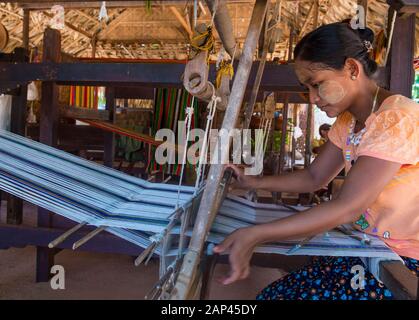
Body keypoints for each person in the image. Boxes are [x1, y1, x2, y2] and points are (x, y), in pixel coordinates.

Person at [213, 22, 419, 300]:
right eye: (307, 88)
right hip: (367, 249)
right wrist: (253, 181)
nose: (312, 98)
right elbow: (314, 177)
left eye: (317, 84)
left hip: (403, 263)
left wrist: (255, 234)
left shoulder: (395, 119)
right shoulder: (349, 121)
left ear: (352, 69)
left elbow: (347, 207)